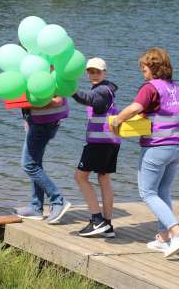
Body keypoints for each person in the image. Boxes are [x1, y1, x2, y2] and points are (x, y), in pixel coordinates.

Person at [110, 48, 179, 258]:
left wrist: (118, 120)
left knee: (147, 192)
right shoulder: (178, 89)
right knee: (163, 191)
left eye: (144, 69)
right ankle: (165, 238)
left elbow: (136, 108)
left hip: (158, 147)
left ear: (153, 69)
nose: (143, 74)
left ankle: (178, 232)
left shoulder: (150, 88)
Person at [71, 57, 121, 237]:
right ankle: (108, 225)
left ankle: (97, 219)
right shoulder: (108, 89)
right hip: (112, 142)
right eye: (90, 71)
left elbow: (89, 99)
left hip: (100, 143)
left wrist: (71, 89)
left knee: (80, 177)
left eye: (97, 71)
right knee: (103, 179)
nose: (94, 74)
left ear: (104, 72)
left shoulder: (101, 91)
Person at [15, 94, 71, 224]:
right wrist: (27, 117)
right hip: (36, 121)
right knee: (35, 164)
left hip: (43, 125)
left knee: (29, 165)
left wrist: (30, 104)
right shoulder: (37, 74)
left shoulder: (53, 75)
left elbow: (58, 101)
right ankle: (36, 207)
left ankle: (58, 200)